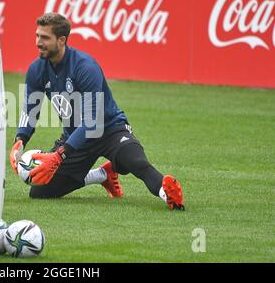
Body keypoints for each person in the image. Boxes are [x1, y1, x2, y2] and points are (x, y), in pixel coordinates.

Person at [9, 12, 184, 210]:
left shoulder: (85, 67)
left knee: (135, 161)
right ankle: (102, 175)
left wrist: (58, 156)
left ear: (61, 40)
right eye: (37, 36)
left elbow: (92, 122)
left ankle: (167, 193)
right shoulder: (36, 70)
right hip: (75, 138)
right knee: (40, 191)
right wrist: (20, 140)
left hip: (109, 130)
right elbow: (30, 111)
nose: (38, 42)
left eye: (45, 38)